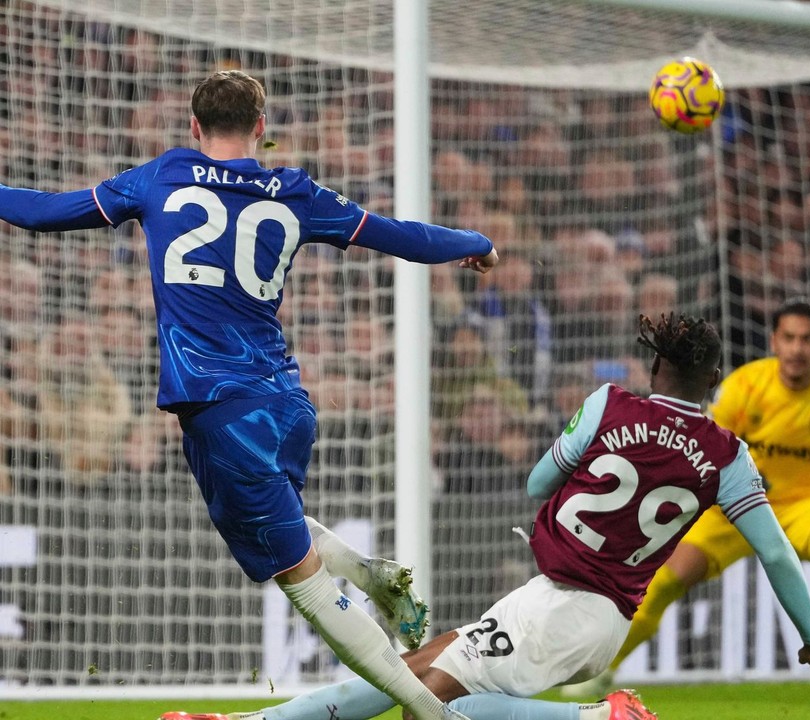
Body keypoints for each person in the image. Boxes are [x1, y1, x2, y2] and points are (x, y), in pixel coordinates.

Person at [0, 69, 499, 720]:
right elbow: (396, 235)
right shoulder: (295, 191)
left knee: (303, 585)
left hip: (221, 408)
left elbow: (43, 212)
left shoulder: (161, 177)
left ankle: (438, 715)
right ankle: (375, 574)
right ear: (262, 129)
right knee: (286, 528)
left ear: (193, 126)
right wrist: (476, 243)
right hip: (287, 401)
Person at [159, 314, 810, 720]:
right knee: (407, 670)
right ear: (715, 379)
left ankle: (597, 718)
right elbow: (777, 554)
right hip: (585, 607)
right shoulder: (727, 455)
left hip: (570, 607)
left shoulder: (611, 404)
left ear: (658, 363)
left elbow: (538, 479)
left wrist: (576, 453)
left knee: (433, 706)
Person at [568, 298, 810, 699]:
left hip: (808, 504)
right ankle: (603, 672)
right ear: (774, 340)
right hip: (733, 507)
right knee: (664, 581)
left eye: (807, 339)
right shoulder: (745, 385)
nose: (797, 348)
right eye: (788, 338)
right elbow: (700, 446)